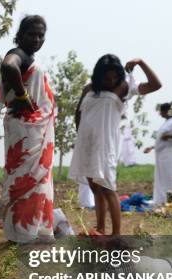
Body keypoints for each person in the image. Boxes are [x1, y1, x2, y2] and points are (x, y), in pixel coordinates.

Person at [68, 54, 161, 235]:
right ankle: (100, 227)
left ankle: (116, 234)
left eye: (114, 77)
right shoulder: (88, 89)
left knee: (108, 187)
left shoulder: (123, 88)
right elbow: (78, 112)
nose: (110, 81)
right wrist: (80, 135)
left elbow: (155, 85)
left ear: (119, 76)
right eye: (106, 78)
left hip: (105, 145)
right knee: (95, 187)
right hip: (86, 143)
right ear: (98, 76)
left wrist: (141, 62)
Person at [0, 15, 57, 243]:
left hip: (36, 130)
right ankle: (20, 234)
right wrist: (22, 95)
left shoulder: (29, 57)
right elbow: (8, 66)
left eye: (41, 35)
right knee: (24, 178)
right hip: (25, 130)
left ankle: (38, 230)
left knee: (40, 179)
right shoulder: (19, 54)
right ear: (20, 35)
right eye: (32, 34)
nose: (37, 39)